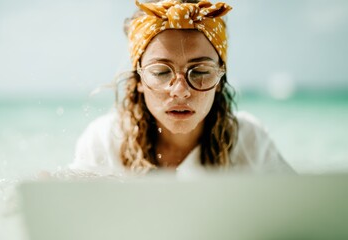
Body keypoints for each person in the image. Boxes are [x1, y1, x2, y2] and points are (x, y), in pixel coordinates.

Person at [69, 0, 294, 176]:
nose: (180, 90)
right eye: (160, 72)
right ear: (138, 81)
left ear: (219, 80)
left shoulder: (250, 142)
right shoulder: (104, 142)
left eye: (201, 72)